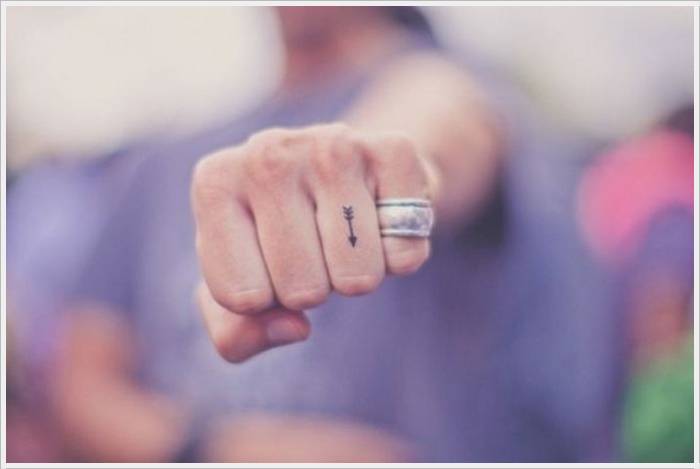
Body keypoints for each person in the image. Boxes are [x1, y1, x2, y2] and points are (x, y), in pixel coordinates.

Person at [8, 6, 618, 462]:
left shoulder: (461, 90)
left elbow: (437, 120)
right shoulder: (163, 162)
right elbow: (81, 381)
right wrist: (220, 449)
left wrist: (375, 163)